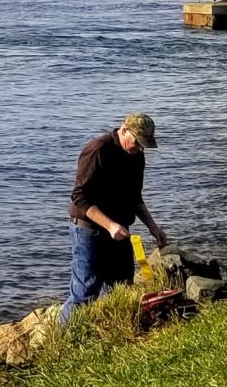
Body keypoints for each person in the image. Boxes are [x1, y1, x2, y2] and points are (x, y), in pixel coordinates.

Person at [67, 112, 168, 309]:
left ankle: (112, 327)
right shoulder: (98, 149)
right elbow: (79, 197)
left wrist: (153, 228)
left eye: (143, 145)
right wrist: (110, 225)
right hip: (89, 230)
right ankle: (66, 328)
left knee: (121, 289)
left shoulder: (136, 156)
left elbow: (135, 197)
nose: (139, 149)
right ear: (123, 130)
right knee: (85, 293)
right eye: (137, 143)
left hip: (119, 231)